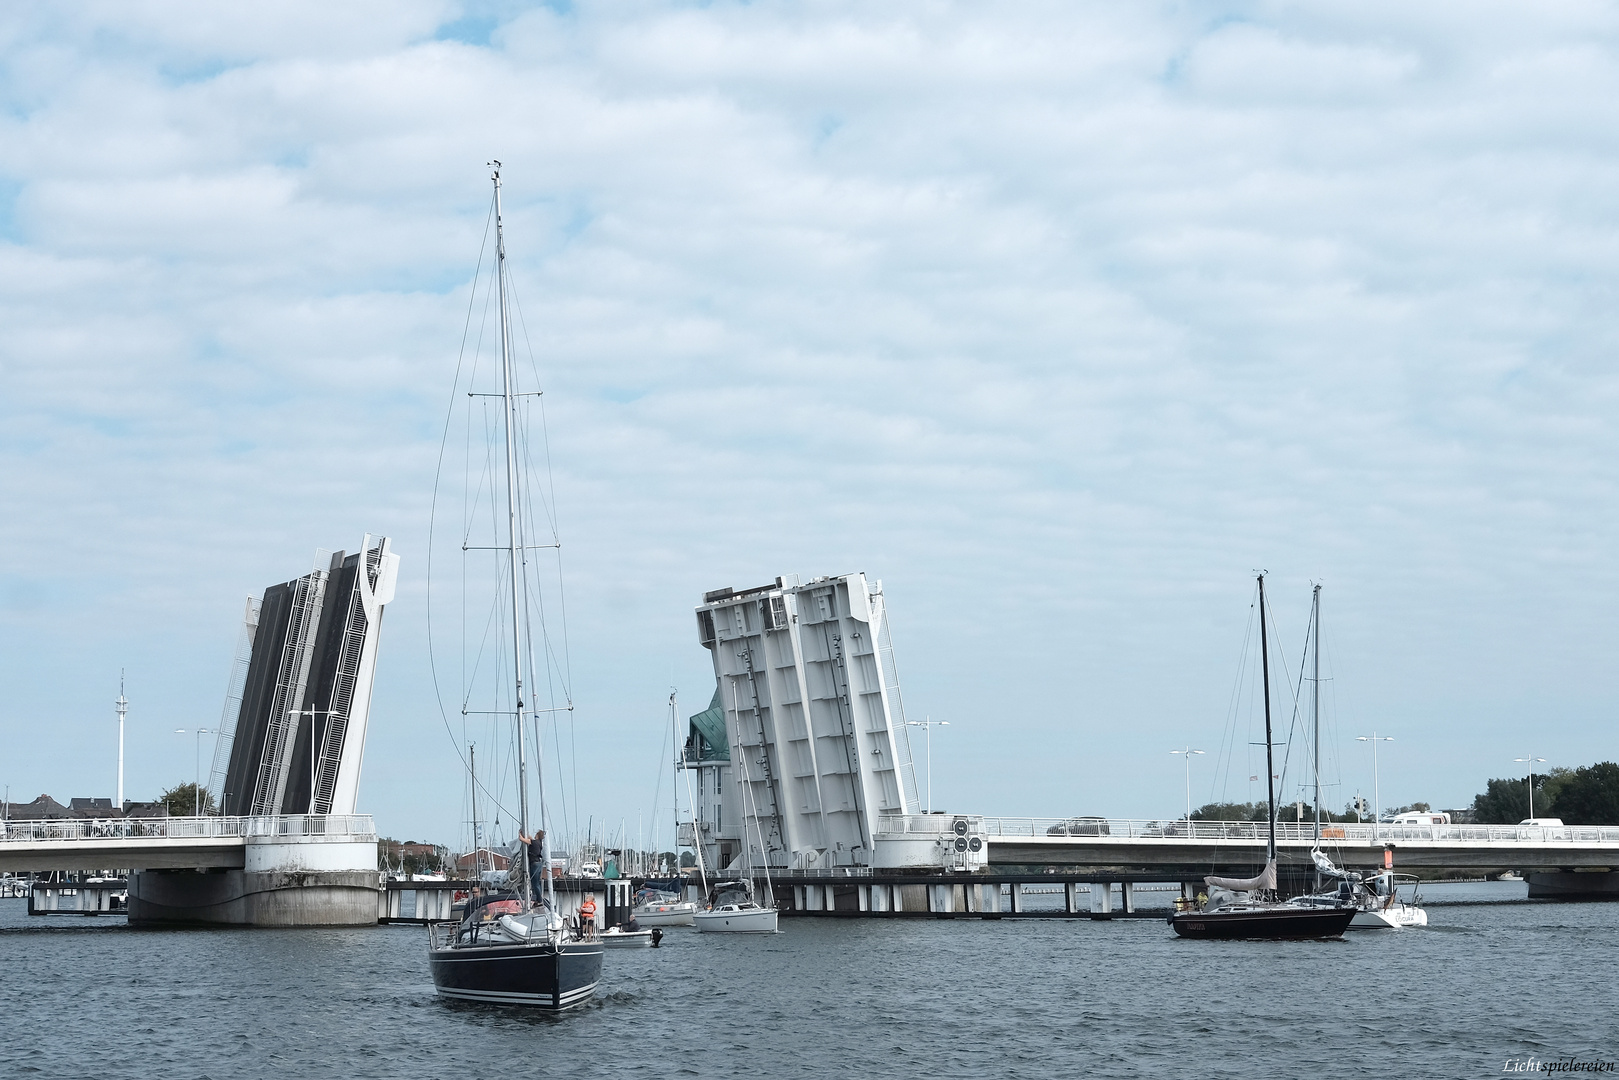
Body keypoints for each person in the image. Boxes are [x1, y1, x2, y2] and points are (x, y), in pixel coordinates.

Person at [516, 830, 546, 902]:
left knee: (534, 883)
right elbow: (530, 839)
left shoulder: (534, 842)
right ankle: (538, 898)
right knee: (537, 883)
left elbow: (522, 839)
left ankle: (539, 900)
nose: (535, 835)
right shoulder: (539, 843)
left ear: (538, 835)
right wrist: (525, 832)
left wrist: (520, 833)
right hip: (539, 863)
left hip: (534, 864)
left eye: (536, 834)